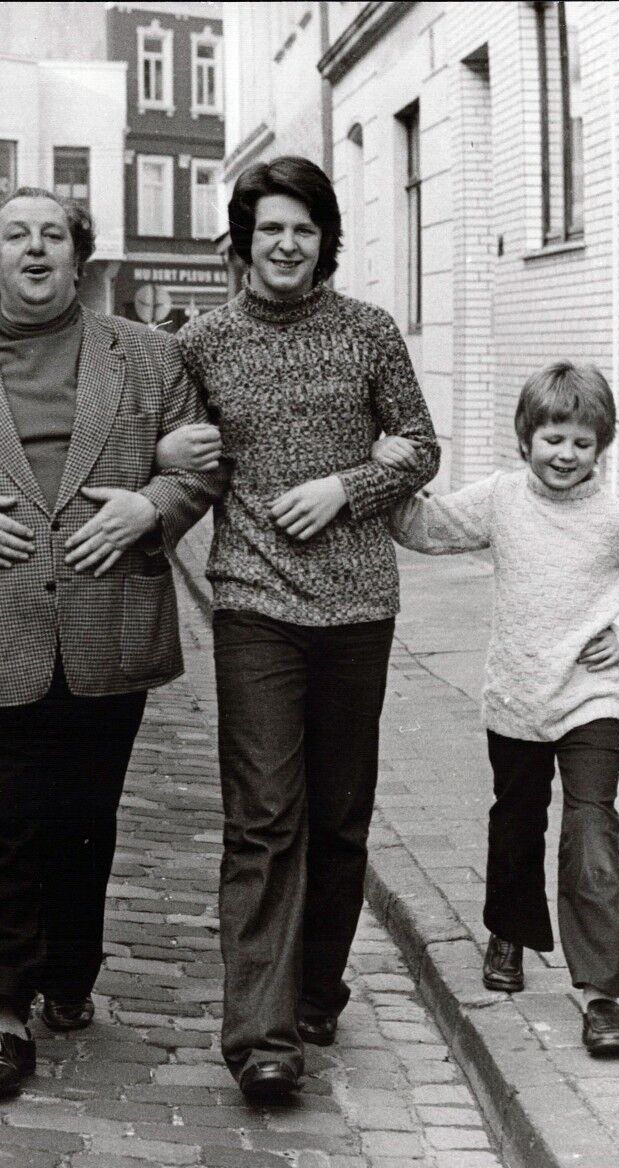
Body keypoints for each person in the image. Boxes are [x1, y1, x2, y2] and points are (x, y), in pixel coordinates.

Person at [0, 187, 222, 1100]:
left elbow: (197, 466)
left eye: (53, 237)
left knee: (84, 817)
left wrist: (152, 508)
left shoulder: (149, 358)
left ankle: (71, 971)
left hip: (110, 622)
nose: (35, 251)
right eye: (17, 237)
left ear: (79, 257)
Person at [172, 156, 440, 1101]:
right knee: (262, 821)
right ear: (242, 240)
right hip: (252, 603)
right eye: (270, 228)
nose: (287, 244)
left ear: (326, 241)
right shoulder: (201, 342)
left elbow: (422, 446)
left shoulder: (369, 332)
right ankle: (261, 1036)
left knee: (339, 819)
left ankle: (318, 984)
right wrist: (167, 447)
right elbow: (171, 452)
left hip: (359, 605)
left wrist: (346, 486)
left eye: (304, 228)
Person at [375, 361, 619, 1057]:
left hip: (589, 702)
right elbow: (427, 529)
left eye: (582, 442)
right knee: (516, 825)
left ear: (600, 447)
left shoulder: (617, 521)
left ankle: (601, 995)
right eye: (553, 437)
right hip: (517, 695)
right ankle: (509, 934)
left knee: (591, 834)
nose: (565, 454)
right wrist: (391, 476)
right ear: (526, 439)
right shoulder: (501, 498)